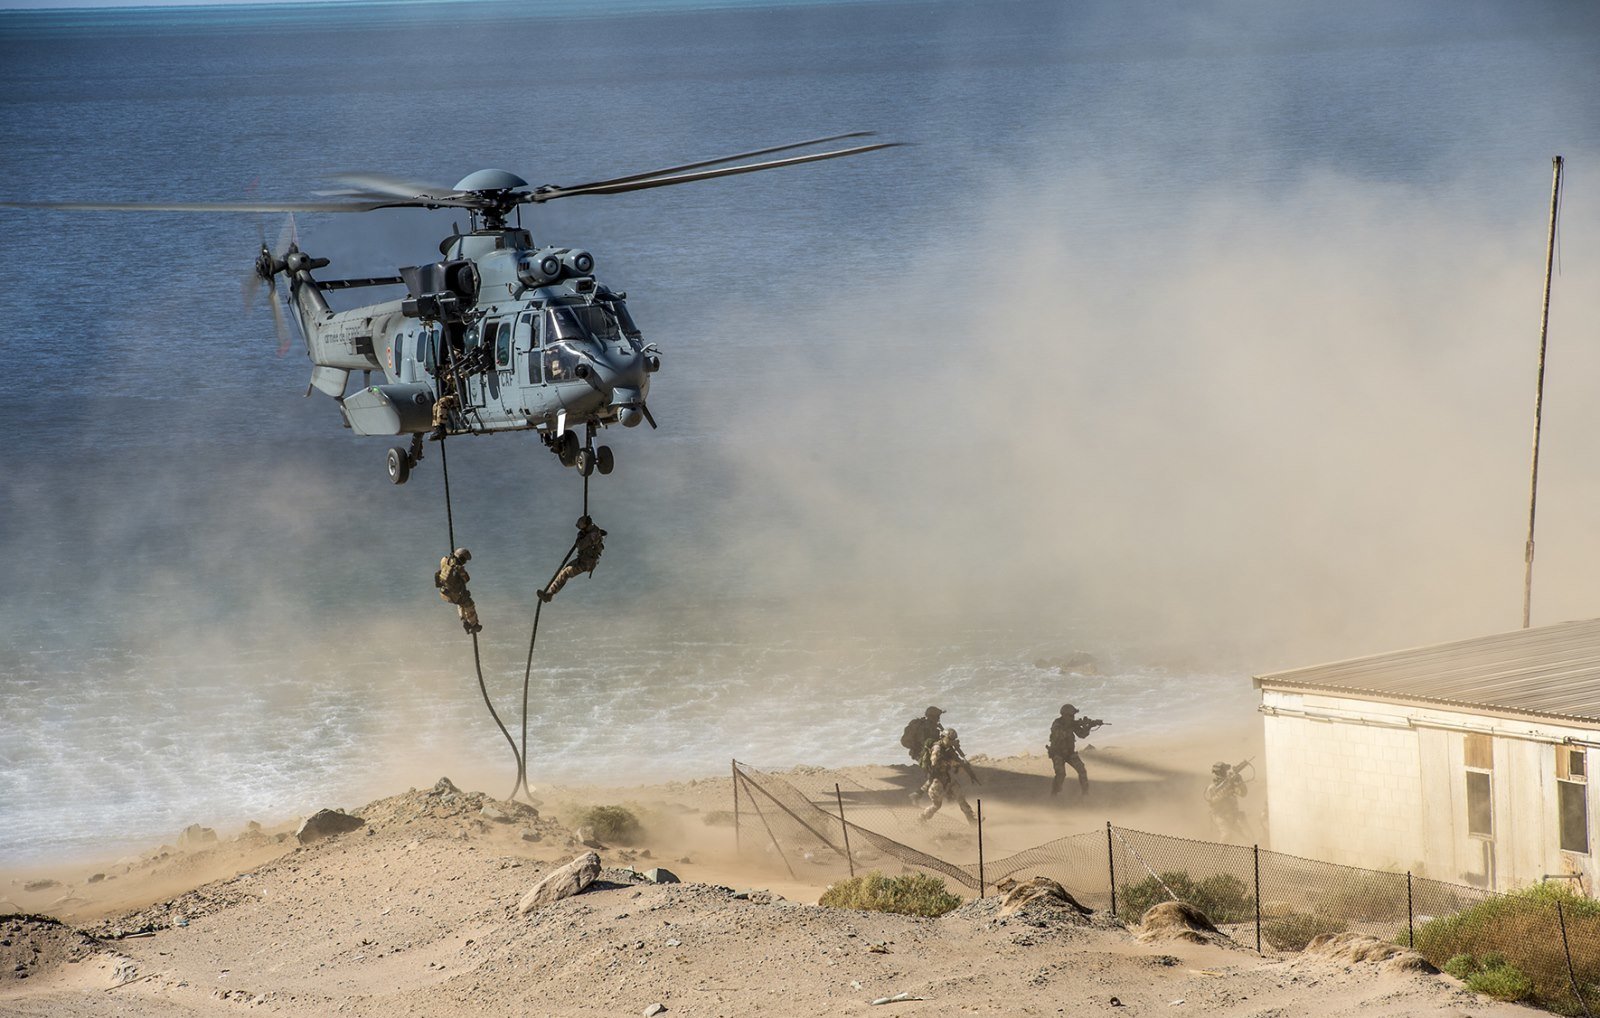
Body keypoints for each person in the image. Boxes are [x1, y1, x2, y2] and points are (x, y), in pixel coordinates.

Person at [538, 515, 607, 603]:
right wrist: (582, 534)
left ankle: (550, 595)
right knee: (565, 569)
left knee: (566, 572)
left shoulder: (593, 535)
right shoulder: (591, 531)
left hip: (587, 563)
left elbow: (580, 545)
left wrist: (581, 537)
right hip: (583, 559)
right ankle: (550, 593)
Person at [919, 729, 979, 825]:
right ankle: (922, 818)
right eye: (950, 739)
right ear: (944, 737)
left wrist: (963, 765)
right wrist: (951, 763)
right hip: (937, 780)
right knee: (937, 805)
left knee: (961, 797)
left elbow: (956, 760)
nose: (952, 741)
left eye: (953, 739)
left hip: (948, 777)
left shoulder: (949, 748)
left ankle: (972, 820)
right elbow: (934, 763)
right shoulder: (937, 748)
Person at [1047, 703, 1103, 796]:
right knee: (1061, 774)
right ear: (1064, 715)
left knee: (1082, 770)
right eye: (1070, 715)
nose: (1072, 717)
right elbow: (1059, 734)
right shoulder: (1057, 723)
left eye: (1073, 715)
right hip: (1058, 753)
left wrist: (1088, 726)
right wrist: (1072, 726)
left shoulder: (1072, 723)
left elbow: (1082, 735)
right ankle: (1054, 793)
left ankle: (1085, 793)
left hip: (1069, 753)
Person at [899, 706, 945, 800]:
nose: (938, 719)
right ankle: (918, 794)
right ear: (932, 716)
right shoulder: (926, 727)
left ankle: (920, 793)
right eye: (937, 716)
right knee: (934, 774)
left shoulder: (932, 726)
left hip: (925, 752)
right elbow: (926, 743)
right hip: (921, 753)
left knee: (938, 772)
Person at [435, 547, 482, 634]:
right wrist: (459, 570)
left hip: (444, 592)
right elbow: (467, 579)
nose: (464, 562)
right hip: (452, 595)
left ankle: (465, 622)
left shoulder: (444, 560)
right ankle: (474, 624)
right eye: (464, 560)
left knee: (461, 600)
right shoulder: (458, 568)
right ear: (460, 558)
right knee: (468, 603)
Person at [1205, 761, 1251, 843]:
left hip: (1233, 815)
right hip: (1220, 816)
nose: (1225, 773)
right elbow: (1212, 802)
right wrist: (1226, 791)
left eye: (1225, 771)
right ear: (1217, 772)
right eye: (1223, 771)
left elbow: (1243, 793)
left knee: (1248, 836)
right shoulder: (1212, 787)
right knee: (1227, 835)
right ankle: (1219, 856)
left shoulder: (1230, 784)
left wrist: (1239, 781)